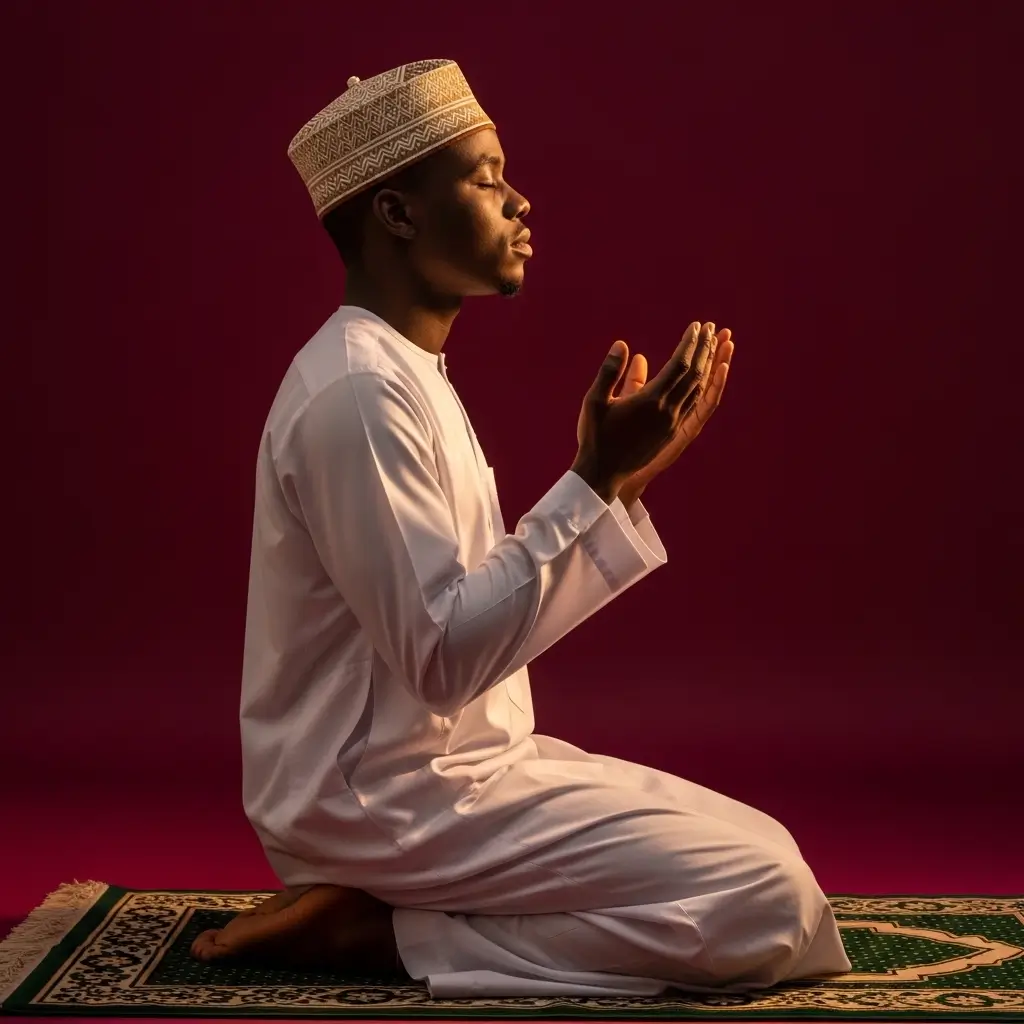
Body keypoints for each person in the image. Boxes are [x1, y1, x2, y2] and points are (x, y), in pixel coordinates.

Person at [190, 59, 852, 998]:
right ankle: (398, 941)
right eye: (487, 177)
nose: (521, 203)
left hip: (458, 775)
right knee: (766, 898)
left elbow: (460, 625)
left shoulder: (403, 373)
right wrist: (591, 480)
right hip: (384, 803)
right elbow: (442, 660)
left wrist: (614, 487)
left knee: (767, 862)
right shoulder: (358, 394)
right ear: (398, 213)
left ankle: (402, 921)